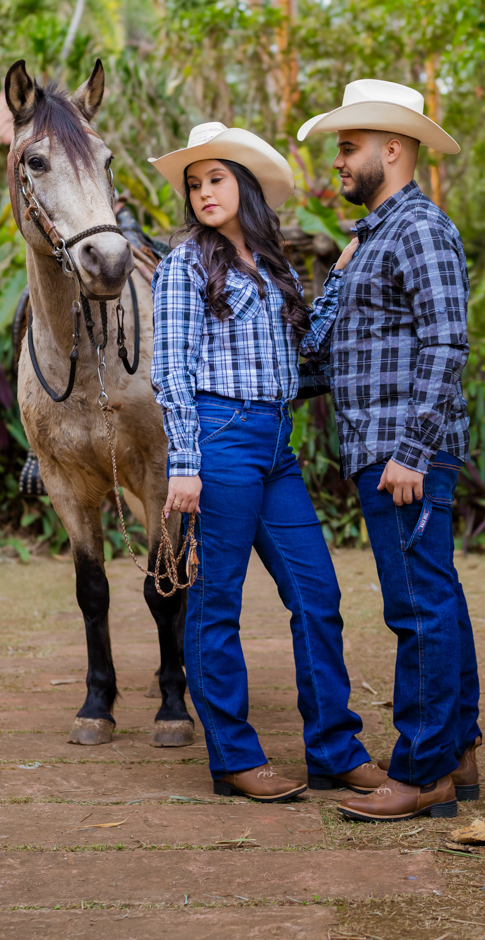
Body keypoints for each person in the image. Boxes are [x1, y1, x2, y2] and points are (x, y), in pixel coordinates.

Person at [148, 121, 385, 803]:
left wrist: (336, 281)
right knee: (216, 602)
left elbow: (305, 354)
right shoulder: (183, 265)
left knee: (318, 594)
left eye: (216, 179)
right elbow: (171, 372)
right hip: (218, 442)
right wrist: (185, 465)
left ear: (245, 186)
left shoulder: (272, 264)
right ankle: (233, 758)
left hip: (276, 446)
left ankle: (335, 750)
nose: (203, 193)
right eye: (194, 184)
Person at [297, 79, 481, 822]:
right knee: (435, 599)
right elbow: (320, 352)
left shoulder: (421, 229)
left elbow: (446, 341)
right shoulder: (371, 238)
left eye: (348, 147)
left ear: (393, 150)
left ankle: (424, 770)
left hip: (405, 454)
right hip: (381, 448)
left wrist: (411, 451)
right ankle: (459, 750)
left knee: (418, 609)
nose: (338, 162)